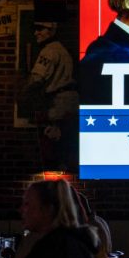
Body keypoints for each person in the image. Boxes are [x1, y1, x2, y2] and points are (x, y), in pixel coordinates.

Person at [14, 179, 98, 258]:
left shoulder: (51, 252)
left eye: (27, 204)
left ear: (47, 209)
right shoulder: (75, 242)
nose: (21, 209)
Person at [21, 21, 79, 168]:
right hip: (71, 101)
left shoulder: (49, 51)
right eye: (35, 29)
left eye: (41, 29)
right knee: (68, 153)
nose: (36, 33)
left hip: (58, 104)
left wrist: (22, 95)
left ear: (52, 30)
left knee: (53, 152)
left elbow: (35, 80)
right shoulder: (62, 49)